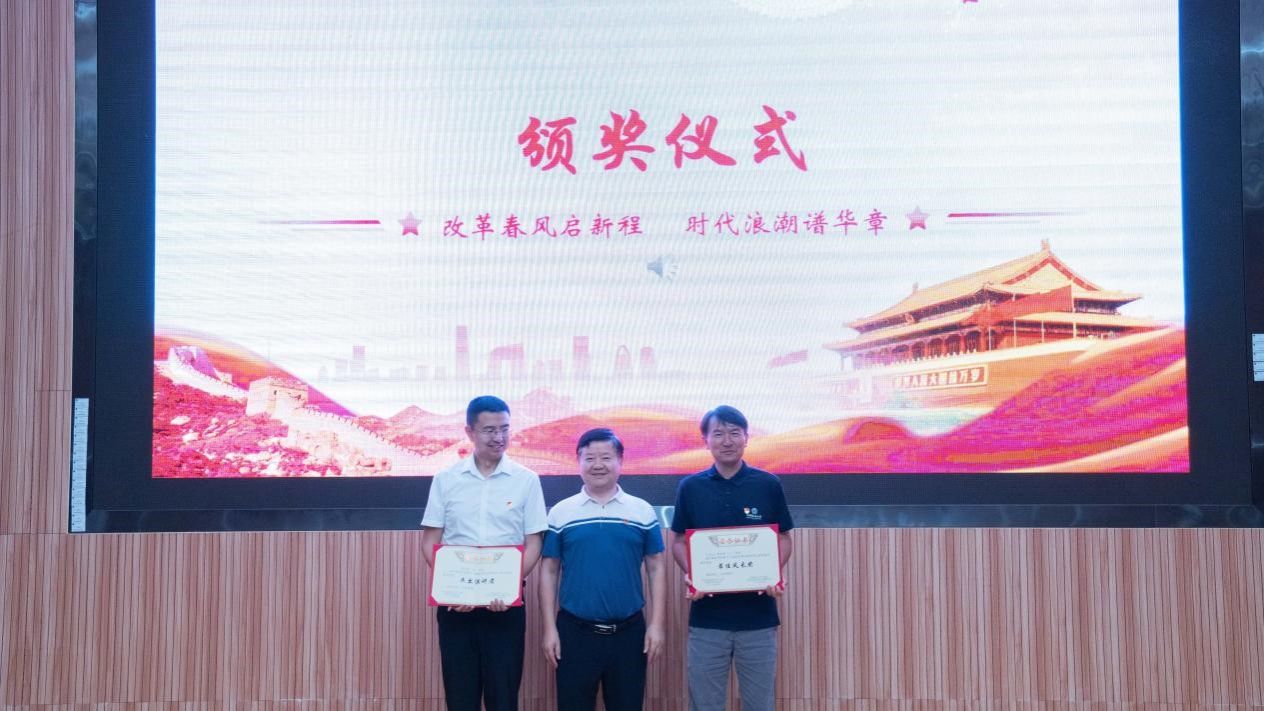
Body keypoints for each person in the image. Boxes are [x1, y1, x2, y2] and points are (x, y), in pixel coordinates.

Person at [420, 395, 547, 711]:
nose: (499, 437)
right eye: (490, 430)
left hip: (505, 607)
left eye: (505, 428)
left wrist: (509, 585)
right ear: (470, 432)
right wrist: (451, 589)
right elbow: (430, 541)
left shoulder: (526, 480)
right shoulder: (446, 479)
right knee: (460, 698)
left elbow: (534, 542)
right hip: (456, 608)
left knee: (503, 698)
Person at [669, 405, 794, 711]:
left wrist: (773, 571)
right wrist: (693, 574)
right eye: (718, 433)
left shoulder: (768, 484)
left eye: (734, 433)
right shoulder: (690, 487)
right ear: (706, 441)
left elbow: (783, 538)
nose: (727, 441)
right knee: (705, 704)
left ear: (746, 438)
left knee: (759, 705)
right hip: (707, 620)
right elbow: (679, 541)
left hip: (759, 619)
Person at [539, 428, 666, 711]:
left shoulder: (642, 511)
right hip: (574, 633)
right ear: (578, 462)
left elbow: (656, 568)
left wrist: (656, 625)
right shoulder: (561, 512)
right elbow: (549, 571)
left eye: (606, 458)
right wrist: (549, 628)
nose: (598, 465)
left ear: (620, 462)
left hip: (629, 633)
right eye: (590, 458)